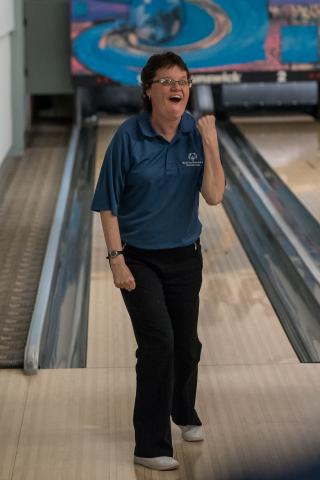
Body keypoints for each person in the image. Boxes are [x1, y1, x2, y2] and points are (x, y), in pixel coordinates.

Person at [91, 51, 225, 471]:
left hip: (186, 257)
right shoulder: (128, 137)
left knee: (187, 344)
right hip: (140, 259)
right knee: (158, 345)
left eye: (182, 80)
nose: (176, 87)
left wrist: (211, 143)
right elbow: (107, 205)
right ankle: (149, 444)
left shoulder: (193, 133)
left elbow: (215, 195)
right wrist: (116, 260)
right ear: (148, 89)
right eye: (166, 81)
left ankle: (183, 412)